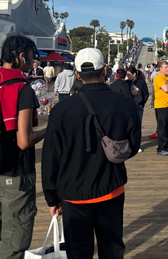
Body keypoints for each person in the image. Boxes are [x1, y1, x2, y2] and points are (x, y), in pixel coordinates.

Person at [42, 48, 141, 259]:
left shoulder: (61, 110)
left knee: (78, 252)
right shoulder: (124, 103)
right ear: (105, 71)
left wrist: (52, 197)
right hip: (111, 187)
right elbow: (133, 146)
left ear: (77, 75)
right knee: (112, 249)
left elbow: (51, 158)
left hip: (73, 193)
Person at [0, 36, 45, 258]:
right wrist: (51, 128)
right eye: (32, 56)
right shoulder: (22, 88)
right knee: (14, 242)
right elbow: (24, 140)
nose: (33, 60)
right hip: (15, 173)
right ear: (21, 56)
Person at [154, 61, 168, 156]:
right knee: (162, 128)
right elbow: (166, 89)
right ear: (160, 68)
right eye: (166, 67)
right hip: (161, 106)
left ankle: (166, 145)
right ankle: (160, 148)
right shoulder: (158, 78)